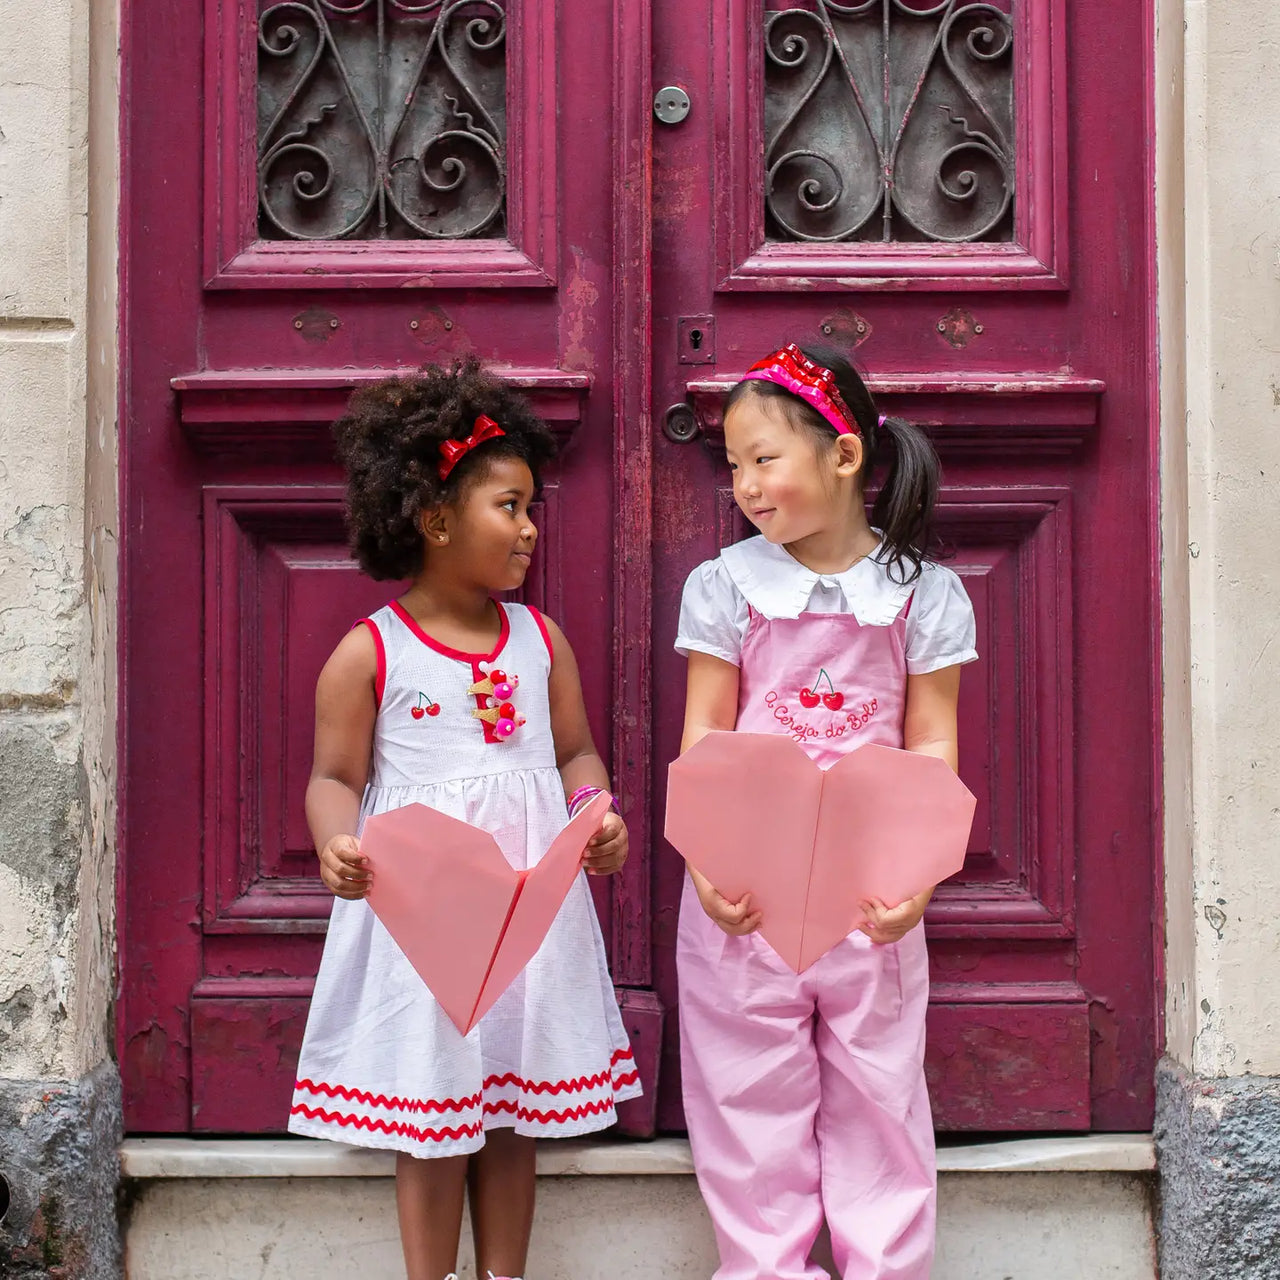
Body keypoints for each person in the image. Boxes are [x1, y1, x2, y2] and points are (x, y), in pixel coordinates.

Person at [288, 357, 640, 1280]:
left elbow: (573, 754)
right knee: (434, 1113)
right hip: (422, 914)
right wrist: (337, 842)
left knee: (515, 1109)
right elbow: (333, 775)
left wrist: (593, 814)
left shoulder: (540, 640)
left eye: (530, 507)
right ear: (436, 520)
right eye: (509, 507)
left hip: (527, 908)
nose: (530, 528)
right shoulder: (371, 653)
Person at [674, 343, 978, 1280]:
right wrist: (705, 865)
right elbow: (704, 738)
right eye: (733, 465)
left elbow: (931, 743)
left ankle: (885, 1266)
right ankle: (765, 1269)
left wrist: (916, 877)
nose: (745, 486)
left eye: (764, 459)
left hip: (869, 898)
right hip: (745, 893)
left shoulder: (920, 594)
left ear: (843, 457)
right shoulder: (726, 586)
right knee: (743, 1098)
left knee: (879, 1097)